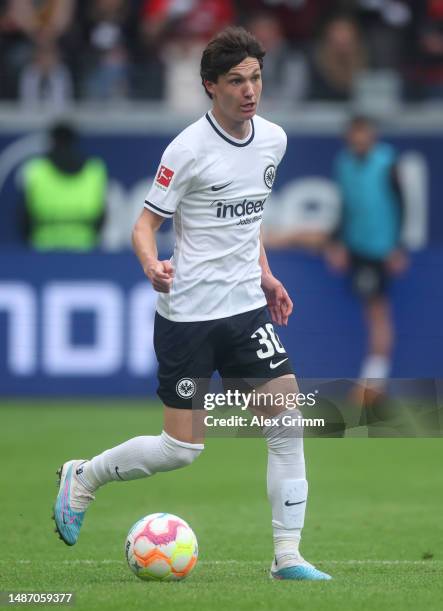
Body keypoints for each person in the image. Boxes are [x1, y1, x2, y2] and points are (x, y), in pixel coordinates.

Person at [52, 26, 331, 581]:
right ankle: (84, 476)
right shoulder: (187, 149)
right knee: (181, 449)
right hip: (188, 316)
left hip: (246, 309)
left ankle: (288, 556)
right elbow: (143, 224)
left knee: (287, 422)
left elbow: (249, 222)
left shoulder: (272, 139)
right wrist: (152, 265)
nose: (250, 90)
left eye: (255, 77)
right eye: (236, 80)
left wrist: (267, 275)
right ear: (210, 86)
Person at [326, 115, 408, 396]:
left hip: (380, 249)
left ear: (371, 135)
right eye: (355, 133)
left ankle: (374, 381)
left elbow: (402, 203)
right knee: (369, 310)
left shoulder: (387, 161)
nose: (359, 138)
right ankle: (373, 379)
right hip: (357, 247)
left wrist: (397, 246)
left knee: (377, 311)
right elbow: (345, 206)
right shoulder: (344, 164)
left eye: (364, 133)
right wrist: (338, 243)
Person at [20, 122, 107, 250]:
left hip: (43, 249)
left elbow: (24, 217)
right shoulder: (94, 170)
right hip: (84, 249)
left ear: (51, 142)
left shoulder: (35, 170)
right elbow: (102, 217)